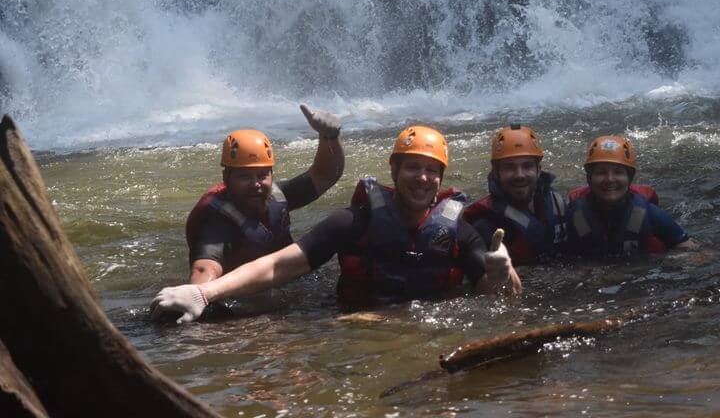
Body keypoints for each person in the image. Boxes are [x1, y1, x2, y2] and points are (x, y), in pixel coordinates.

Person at [151, 125, 521, 323]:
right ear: (394, 170)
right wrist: (203, 293)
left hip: (427, 333)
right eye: (412, 167)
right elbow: (282, 263)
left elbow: (501, 299)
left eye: (431, 171)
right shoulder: (354, 221)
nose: (422, 179)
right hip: (354, 329)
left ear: (441, 178)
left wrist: (503, 276)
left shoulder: (461, 229)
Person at [186, 105, 344, 284]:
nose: (255, 184)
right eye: (244, 176)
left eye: (262, 175)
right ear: (226, 178)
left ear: (271, 175)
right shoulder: (216, 219)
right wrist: (199, 293)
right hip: (246, 299)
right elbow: (205, 266)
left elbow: (325, 175)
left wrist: (329, 137)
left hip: (290, 282)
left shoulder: (277, 197)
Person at [565, 135, 696, 257]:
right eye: (601, 172)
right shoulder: (574, 214)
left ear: (629, 178)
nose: (610, 179)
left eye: (618, 172)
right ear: (589, 178)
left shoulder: (650, 213)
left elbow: (692, 251)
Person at [463, 124, 565, 264]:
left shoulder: (557, 204)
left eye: (527, 166)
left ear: (539, 170)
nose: (519, 175)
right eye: (509, 167)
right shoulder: (485, 226)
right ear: (496, 172)